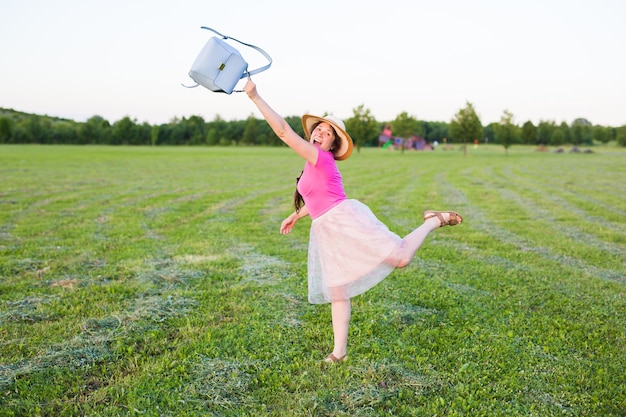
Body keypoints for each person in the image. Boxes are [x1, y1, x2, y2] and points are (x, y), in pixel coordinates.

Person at [244, 79, 462, 363]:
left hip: (346, 220)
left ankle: (433, 220)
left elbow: (283, 131)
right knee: (338, 290)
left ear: (333, 144)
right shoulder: (311, 165)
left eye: (327, 132)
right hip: (325, 228)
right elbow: (317, 198)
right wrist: (296, 215)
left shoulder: (321, 158)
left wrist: (255, 96)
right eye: (318, 129)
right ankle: (339, 353)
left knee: (401, 257)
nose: (320, 132)